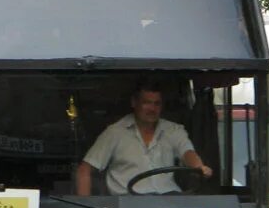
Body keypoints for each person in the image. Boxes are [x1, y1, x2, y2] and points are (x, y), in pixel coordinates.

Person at [76, 80, 213, 195]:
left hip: (170, 204)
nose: (152, 109)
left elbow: (187, 152)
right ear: (134, 103)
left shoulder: (173, 130)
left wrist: (199, 167)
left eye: (156, 103)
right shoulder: (114, 132)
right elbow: (84, 170)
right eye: (146, 103)